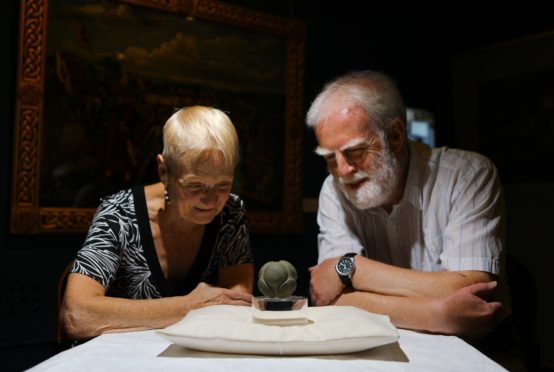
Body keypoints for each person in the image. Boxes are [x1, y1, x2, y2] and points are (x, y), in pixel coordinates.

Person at [306, 70, 525, 368]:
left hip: (480, 347)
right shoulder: (334, 190)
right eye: (330, 157)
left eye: (354, 151)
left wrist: (353, 268)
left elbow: (475, 291)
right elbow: (331, 300)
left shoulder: (468, 174)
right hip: (378, 344)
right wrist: (440, 314)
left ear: (395, 135)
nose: (342, 170)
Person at [60, 106, 254, 340]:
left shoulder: (231, 212)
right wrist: (189, 307)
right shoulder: (119, 213)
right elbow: (77, 314)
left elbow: (236, 305)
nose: (212, 199)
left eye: (223, 185)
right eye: (194, 185)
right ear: (164, 171)